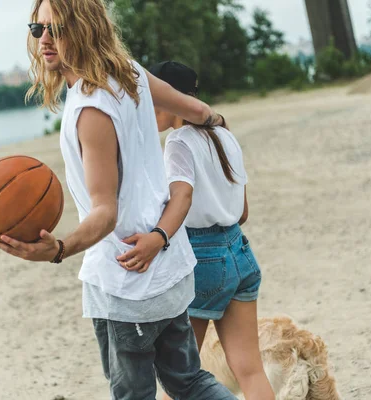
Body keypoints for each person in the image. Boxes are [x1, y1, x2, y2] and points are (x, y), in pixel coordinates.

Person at [0, 1, 237, 399]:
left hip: (127, 280)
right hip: (168, 265)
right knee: (190, 383)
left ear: (85, 27)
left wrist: (59, 249)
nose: (45, 40)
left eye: (58, 28)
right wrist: (217, 128)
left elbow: (106, 213)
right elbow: (197, 110)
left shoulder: (90, 108)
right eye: (37, 30)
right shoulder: (131, 73)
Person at [116, 61, 275, 400]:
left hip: (203, 262)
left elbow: (183, 196)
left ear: (169, 97)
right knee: (250, 369)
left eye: (150, 98)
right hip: (240, 252)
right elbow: (242, 211)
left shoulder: (178, 143)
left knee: (180, 377)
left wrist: (157, 237)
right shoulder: (224, 135)